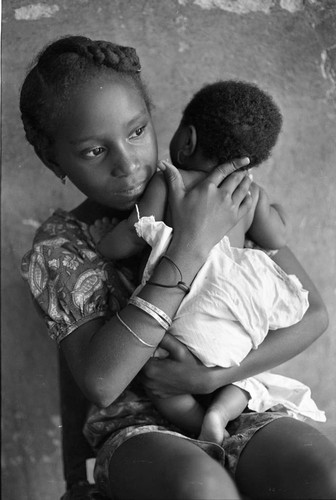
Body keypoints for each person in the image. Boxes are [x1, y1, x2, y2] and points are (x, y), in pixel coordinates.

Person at [19, 35, 336, 500]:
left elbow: (313, 317)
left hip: (237, 394)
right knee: (201, 489)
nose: (128, 165)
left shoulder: (218, 195)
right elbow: (103, 383)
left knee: (324, 473)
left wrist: (208, 379)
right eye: (94, 151)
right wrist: (187, 245)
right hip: (135, 428)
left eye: (136, 132)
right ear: (54, 161)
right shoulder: (61, 246)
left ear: (158, 125)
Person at [90, 80, 324, 445]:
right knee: (245, 379)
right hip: (237, 329)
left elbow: (129, 238)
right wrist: (278, 212)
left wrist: (102, 239)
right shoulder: (250, 193)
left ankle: (200, 426)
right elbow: (277, 238)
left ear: (188, 140)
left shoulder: (168, 182)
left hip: (187, 315)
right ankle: (220, 414)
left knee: (165, 388)